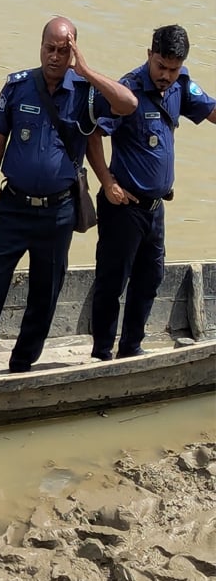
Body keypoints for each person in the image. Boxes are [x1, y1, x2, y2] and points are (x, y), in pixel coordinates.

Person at [0, 17, 136, 378]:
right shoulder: (18, 87)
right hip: (13, 208)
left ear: (73, 51)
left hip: (58, 214)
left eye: (63, 50)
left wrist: (84, 69)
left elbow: (128, 103)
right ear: (40, 47)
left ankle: (22, 365)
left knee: (45, 293)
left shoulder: (85, 92)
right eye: (49, 48)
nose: (54, 56)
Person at [87, 25, 216, 361]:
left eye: (173, 69)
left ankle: (131, 349)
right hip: (123, 205)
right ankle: (101, 354)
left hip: (155, 208)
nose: (166, 75)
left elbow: (212, 112)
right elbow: (93, 135)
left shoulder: (180, 87)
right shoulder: (127, 90)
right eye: (161, 66)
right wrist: (106, 181)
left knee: (150, 280)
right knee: (112, 283)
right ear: (149, 56)